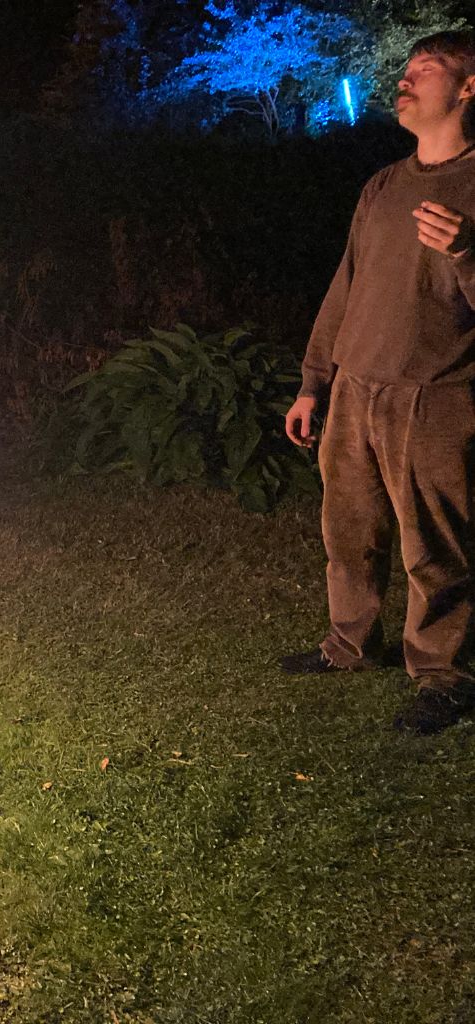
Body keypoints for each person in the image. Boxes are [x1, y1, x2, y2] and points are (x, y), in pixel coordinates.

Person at [281, 30, 475, 735]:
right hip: (355, 389)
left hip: (435, 394)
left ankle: (443, 675)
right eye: (406, 67)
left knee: (435, 548)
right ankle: (348, 645)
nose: (405, 78)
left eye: (426, 68)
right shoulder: (384, 186)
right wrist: (314, 382)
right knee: (349, 532)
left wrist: (466, 251)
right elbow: (347, 287)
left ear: (469, 88)